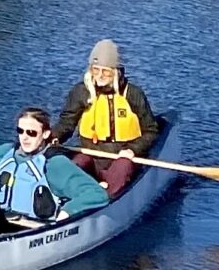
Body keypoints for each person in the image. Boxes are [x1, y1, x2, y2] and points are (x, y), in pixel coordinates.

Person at [0, 107, 109, 235]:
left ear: (45, 134)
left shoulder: (54, 164)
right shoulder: (5, 153)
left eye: (31, 132)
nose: (24, 137)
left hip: (34, 228)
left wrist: (68, 212)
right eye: (20, 131)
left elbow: (96, 193)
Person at [58, 38, 158, 199]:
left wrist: (133, 150)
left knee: (122, 168)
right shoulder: (81, 92)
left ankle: (105, 198)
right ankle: (70, 200)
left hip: (122, 157)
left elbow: (151, 131)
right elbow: (66, 123)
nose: (99, 76)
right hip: (91, 153)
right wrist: (53, 137)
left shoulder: (133, 94)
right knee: (76, 166)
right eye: (95, 70)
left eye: (105, 71)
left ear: (116, 71)